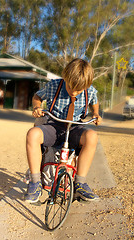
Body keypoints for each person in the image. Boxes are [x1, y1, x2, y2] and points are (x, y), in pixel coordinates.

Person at [25, 58, 102, 203]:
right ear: (65, 77)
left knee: (92, 136)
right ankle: (35, 183)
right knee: (32, 134)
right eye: (71, 87)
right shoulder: (54, 85)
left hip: (74, 128)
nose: (74, 92)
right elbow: (37, 96)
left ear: (87, 85)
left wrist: (96, 113)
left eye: (78, 90)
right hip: (53, 126)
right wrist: (37, 107)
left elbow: (95, 102)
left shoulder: (90, 91)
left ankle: (80, 183)